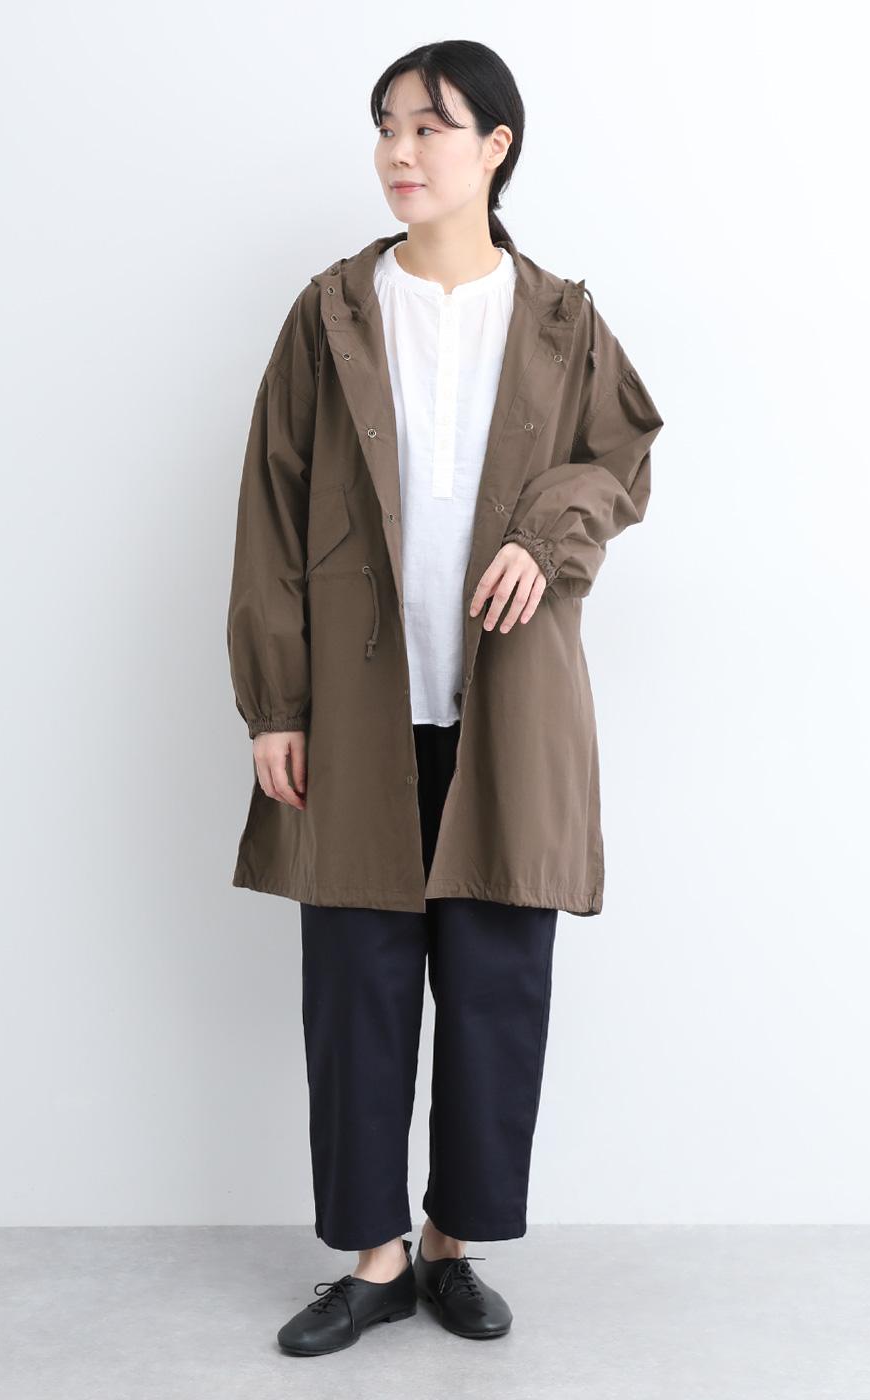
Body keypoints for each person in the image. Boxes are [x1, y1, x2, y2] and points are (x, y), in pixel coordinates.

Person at [225, 40, 664, 1358]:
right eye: (386, 126)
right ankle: (373, 1261)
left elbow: (621, 456)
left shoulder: (561, 318)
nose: (400, 151)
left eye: (431, 125)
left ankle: (453, 1245)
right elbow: (269, 507)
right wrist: (275, 702)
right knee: (355, 991)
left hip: (507, 709)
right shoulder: (333, 312)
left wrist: (548, 536)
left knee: (493, 992)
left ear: (497, 146)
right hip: (356, 715)